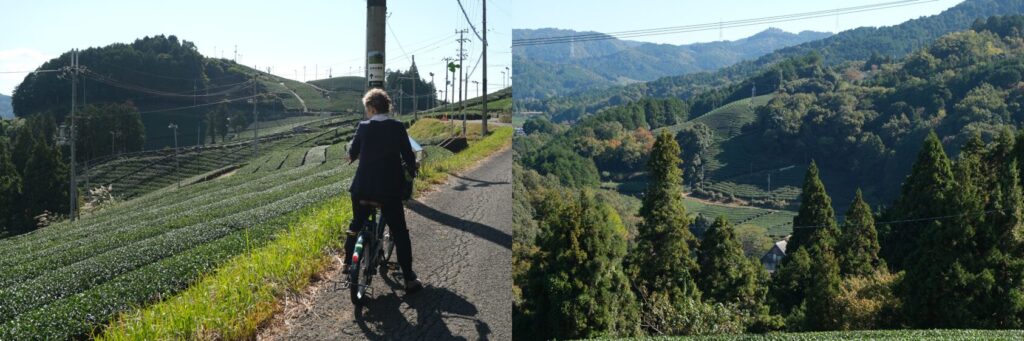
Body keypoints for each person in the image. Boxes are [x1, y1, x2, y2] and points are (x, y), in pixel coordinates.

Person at [343, 88, 423, 293]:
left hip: (362, 188)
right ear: (387, 107)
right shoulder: (397, 127)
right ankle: (409, 279)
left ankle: (347, 264)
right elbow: (408, 156)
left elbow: (352, 152)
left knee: (356, 224)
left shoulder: (363, 127)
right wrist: (413, 169)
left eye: (366, 108)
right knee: (400, 232)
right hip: (389, 190)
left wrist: (352, 156)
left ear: (370, 108)